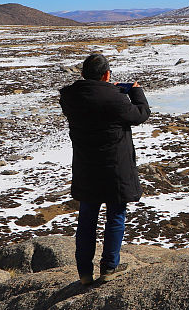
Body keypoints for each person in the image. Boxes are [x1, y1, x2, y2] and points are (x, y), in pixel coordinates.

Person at [59, 53, 150, 284]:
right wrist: (135, 90)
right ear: (107, 75)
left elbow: (90, 98)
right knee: (116, 216)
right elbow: (141, 114)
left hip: (86, 169)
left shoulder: (70, 98)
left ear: (83, 74)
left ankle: (84, 274)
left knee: (87, 218)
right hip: (114, 170)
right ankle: (109, 268)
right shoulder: (115, 99)